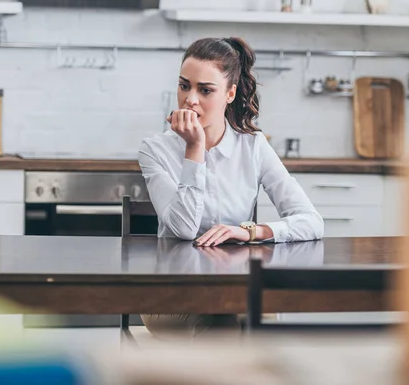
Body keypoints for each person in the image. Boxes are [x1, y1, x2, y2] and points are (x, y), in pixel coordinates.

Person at [137, 36, 324, 337]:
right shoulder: (154, 150)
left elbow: (312, 222)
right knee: (232, 315)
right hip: (171, 293)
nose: (190, 99)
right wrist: (194, 148)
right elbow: (184, 229)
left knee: (252, 310)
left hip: (234, 286)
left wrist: (250, 231)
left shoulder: (254, 147)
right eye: (184, 85)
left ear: (230, 94)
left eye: (205, 90)